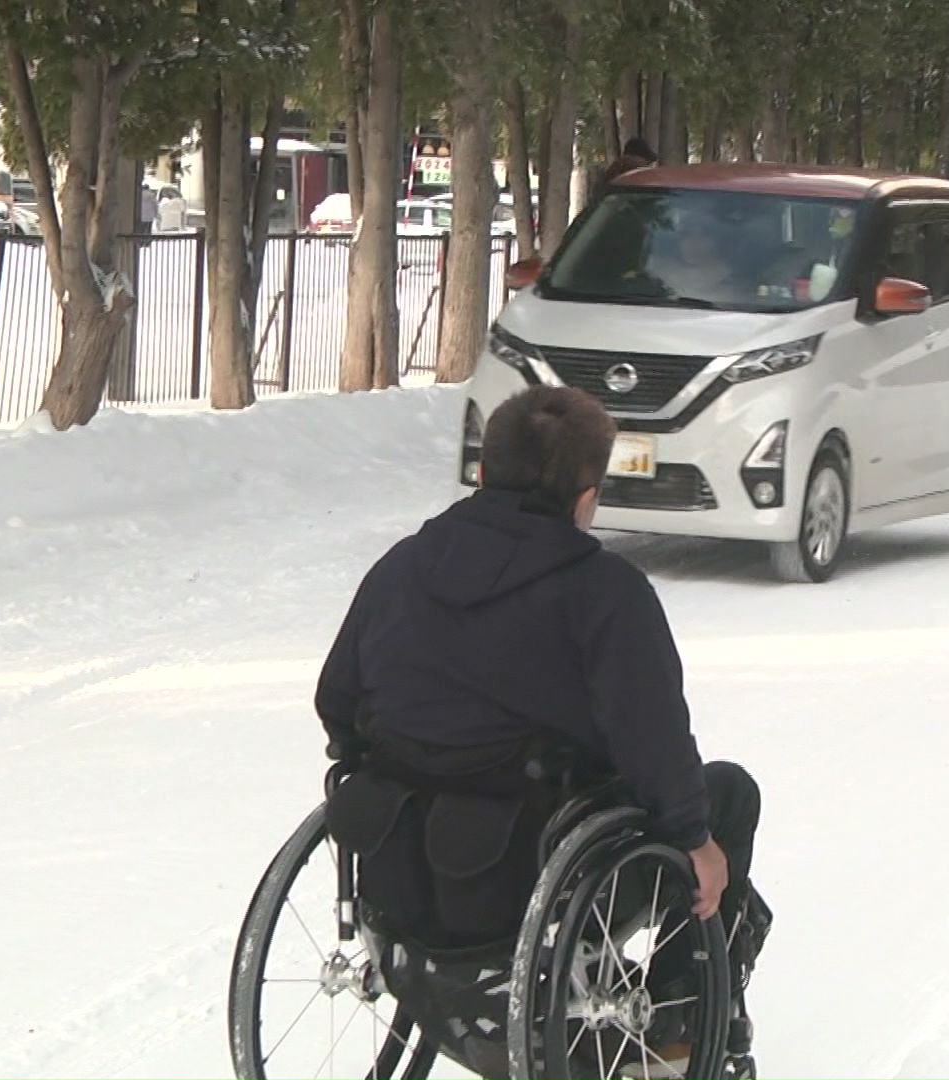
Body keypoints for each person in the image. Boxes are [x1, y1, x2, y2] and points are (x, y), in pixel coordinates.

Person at [315, 385, 768, 1073]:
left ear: (484, 473)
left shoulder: (400, 568)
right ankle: (677, 1025)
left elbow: (337, 703)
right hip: (529, 876)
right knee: (727, 795)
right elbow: (655, 744)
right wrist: (697, 840)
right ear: (587, 496)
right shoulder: (606, 593)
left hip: (400, 865)